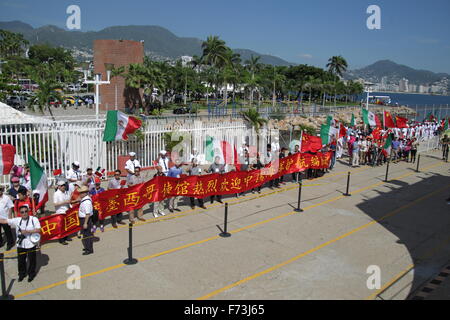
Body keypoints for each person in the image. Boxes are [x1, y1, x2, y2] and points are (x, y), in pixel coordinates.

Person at [0, 204, 41, 282]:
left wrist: (27, 231)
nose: (24, 213)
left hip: (31, 244)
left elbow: (38, 230)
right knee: (21, 260)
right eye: (22, 212)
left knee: (32, 260)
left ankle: (31, 274)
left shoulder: (34, 219)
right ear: (20, 213)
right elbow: (4, 221)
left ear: (28, 211)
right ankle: (22, 274)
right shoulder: (17, 220)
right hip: (21, 244)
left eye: (26, 211)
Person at [53, 180, 72, 245]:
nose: (63, 186)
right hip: (60, 211)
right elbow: (55, 204)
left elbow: (69, 201)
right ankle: (61, 239)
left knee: (67, 225)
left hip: (67, 210)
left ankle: (66, 236)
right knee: (61, 226)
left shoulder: (66, 192)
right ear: (59, 187)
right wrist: (64, 202)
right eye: (62, 186)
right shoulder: (56, 194)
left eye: (64, 185)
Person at [78, 186, 94, 255]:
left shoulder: (86, 202)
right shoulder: (85, 199)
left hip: (85, 219)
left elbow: (87, 213)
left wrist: (85, 223)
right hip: (84, 219)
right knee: (85, 234)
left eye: (81, 193)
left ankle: (89, 249)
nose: (80, 194)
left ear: (85, 193)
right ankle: (87, 246)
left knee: (87, 235)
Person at [0, 185, 15, 251]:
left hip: (5, 218)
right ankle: (0, 243)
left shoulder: (6, 198)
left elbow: (10, 207)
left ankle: (10, 243)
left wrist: (10, 218)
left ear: (2, 190)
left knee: (7, 231)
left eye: (0, 190)